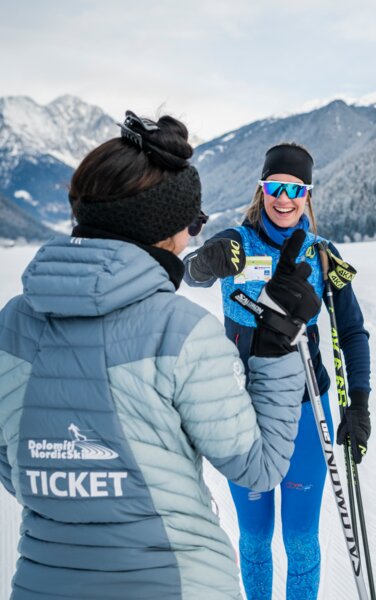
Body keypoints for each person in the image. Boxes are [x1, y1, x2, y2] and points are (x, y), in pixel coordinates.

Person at [0, 116, 321, 600]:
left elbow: (13, 464)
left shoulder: (11, 327)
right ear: (165, 230)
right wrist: (276, 346)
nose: (193, 236)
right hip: (181, 582)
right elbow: (259, 466)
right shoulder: (183, 332)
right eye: (193, 224)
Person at [184, 142, 371, 599]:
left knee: (302, 539)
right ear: (261, 189)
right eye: (275, 186)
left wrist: (360, 402)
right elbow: (191, 273)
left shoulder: (323, 254)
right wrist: (205, 261)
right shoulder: (235, 243)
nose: (283, 199)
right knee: (254, 536)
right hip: (239, 409)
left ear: (307, 194)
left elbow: (352, 332)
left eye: (295, 188)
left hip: (306, 408)